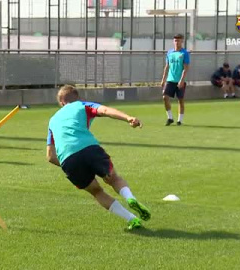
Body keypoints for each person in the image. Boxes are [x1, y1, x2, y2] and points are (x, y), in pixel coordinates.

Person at [46, 85, 151, 230]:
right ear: (77, 98)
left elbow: (50, 156)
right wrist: (128, 118)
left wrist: (66, 162)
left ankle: (132, 219)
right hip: (89, 149)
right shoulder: (82, 105)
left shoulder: (52, 121)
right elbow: (106, 111)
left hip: (68, 160)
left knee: (96, 191)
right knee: (113, 178)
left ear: (62, 103)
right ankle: (130, 198)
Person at [160, 34, 190, 126]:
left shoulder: (184, 53)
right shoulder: (169, 52)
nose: (177, 42)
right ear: (173, 41)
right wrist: (163, 79)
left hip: (180, 80)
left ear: (182, 41)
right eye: (175, 40)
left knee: (180, 100)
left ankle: (179, 120)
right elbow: (167, 66)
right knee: (165, 97)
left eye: (179, 40)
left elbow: (186, 68)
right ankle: (170, 118)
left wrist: (181, 80)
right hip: (170, 80)